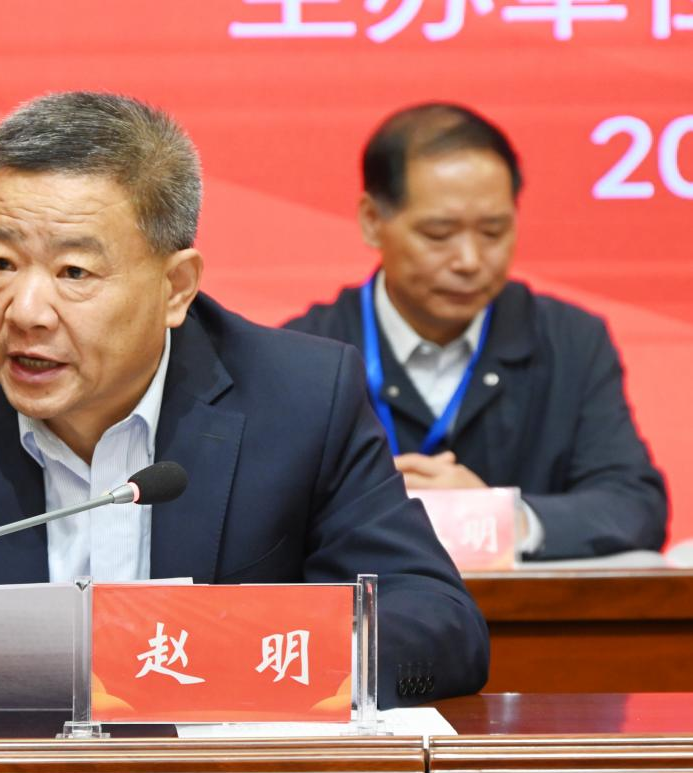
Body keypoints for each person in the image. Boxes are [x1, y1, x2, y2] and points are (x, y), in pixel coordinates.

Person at [0, 92, 488, 724]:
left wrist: (220, 654)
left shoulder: (299, 398)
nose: (25, 310)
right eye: (1, 263)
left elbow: (440, 629)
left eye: (73, 273)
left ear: (175, 287)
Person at [284, 103, 667, 561]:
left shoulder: (571, 341)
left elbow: (635, 505)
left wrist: (502, 519)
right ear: (371, 221)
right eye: (439, 233)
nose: (469, 260)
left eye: (493, 232)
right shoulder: (301, 355)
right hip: (371, 605)